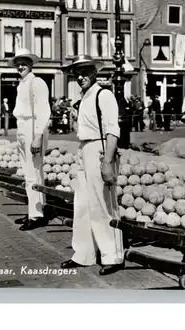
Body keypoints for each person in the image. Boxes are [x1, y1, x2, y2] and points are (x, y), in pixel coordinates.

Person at [60, 55, 125, 276]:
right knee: (82, 205)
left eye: (85, 72)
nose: (81, 77)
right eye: (77, 73)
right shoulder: (84, 97)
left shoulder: (103, 95)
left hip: (100, 149)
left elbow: (112, 130)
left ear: (94, 73)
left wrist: (107, 161)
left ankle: (112, 255)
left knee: (102, 204)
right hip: (84, 149)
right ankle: (84, 254)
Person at [8, 48, 52, 231]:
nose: (20, 66)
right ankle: (36, 209)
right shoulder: (22, 84)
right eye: (18, 63)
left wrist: (37, 137)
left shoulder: (37, 83)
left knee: (33, 172)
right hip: (22, 128)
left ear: (31, 64)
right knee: (30, 172)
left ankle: (36, 215)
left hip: (33, 129)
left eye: (24, 63)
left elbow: (43, 111)